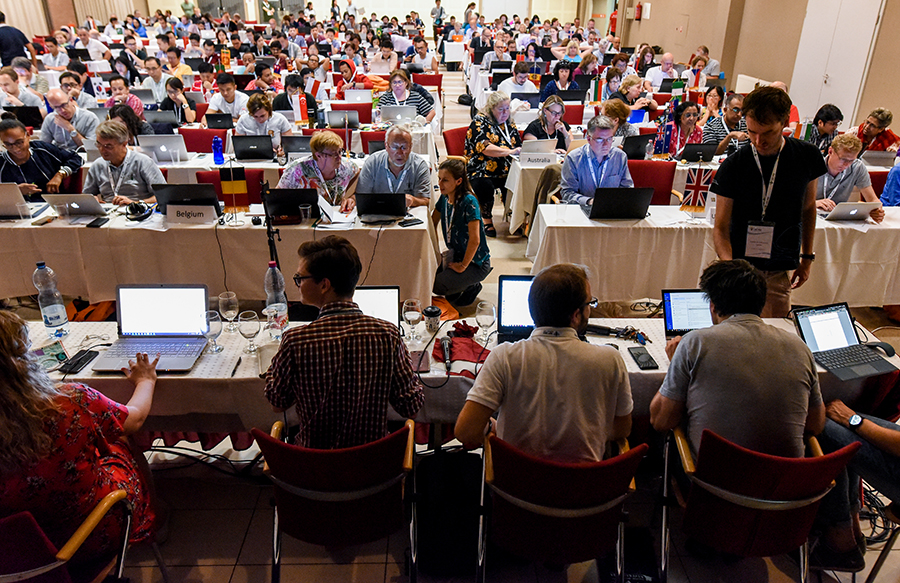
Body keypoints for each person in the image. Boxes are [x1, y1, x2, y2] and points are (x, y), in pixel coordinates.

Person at [0, 312, 159, 570]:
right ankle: (153, 521)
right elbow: (135, 419)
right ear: (23, 362)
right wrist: (145, 380)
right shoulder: (70, 400)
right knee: (119, 437)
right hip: (86, 539)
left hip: (11, 555)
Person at [455, 262, 632, 462]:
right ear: (575, 315)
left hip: (514, 488)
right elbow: (623, 428)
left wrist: (491, 427)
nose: (590, 309)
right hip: (582, 489)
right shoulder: (610, 359)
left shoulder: (503, 356)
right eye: (589, 304)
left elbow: (466, 432)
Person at [650, 259, 824, 458]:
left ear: (713, 307)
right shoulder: (799, 347)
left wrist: (676, 366)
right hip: (786, 481)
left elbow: (661, 421)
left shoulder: (695, 343)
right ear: (761, 301)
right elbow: (816, 425)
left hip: (715, 481)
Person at [265, 236, 423, 449]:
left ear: (324, 285)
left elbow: (278, 404)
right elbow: (410, 407)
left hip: (315, 469)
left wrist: (274, 371)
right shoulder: (388, 335)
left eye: (300, 278)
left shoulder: (296, 341)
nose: (298, 284)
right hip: (372, 467)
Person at [711, 86, 827, 317]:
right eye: (752, 132)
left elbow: (808, 208)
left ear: (784, 122)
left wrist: (807, 257)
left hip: (778, 266)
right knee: (729, 337)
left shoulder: (806, 156)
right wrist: (731, 267)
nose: (758, 140)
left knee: (774, 334)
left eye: (767, 133)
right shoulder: (734, 165)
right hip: (740, 266)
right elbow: (721, 227)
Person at [431, 158, 492, 305]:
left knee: (437, 285)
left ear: (458, 181)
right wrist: (434, 253)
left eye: (445, 180)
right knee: (426, 273)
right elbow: (432, 222)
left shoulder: (469, 202)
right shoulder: (445, 197)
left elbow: (475, 240)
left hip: (475, 261)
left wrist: (463, 266)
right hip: (455, 255)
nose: (439, 184)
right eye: (439, 179)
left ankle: (472, 285)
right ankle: (462, 285)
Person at [465, 91, 522, 237]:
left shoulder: (509, 123)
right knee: (484, 183)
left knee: (520, 180)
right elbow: (485, 148)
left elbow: (518, 145)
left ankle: (514, 218)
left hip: (506, 165)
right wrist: (509, 152)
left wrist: (516, 151)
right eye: (501, 109)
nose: (505, 113)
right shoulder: (479, 121)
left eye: (507, 108)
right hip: (481, 165)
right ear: (491, 109)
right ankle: (487, 220)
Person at [83, 120, 165, 205]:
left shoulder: (143, 162)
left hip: (138, 212)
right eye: (99, 144)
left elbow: (162, 196)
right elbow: (86, 195)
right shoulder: (98, 165)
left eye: (108, 146)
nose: (102, 150)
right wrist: (92, 199)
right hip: (108, 213)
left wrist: (134, 203)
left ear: (124, 144)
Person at [0, 119, 82, 201]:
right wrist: (15, 191)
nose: (15, 148)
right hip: (16, 209)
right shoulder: (2, 162)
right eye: (8, 144)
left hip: (53, 204)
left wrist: (60, 174)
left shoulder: (42, 150)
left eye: (19, 142)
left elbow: (76, 158)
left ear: (28, 135)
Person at [277, 130, 359, 211]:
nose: (339, 157)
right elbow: (277, 195)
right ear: (318, 155)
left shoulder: (347, 167)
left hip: (336, 216)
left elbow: (356, 172)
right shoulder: (297, 169)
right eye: (334, 154)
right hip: (307, 216)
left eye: (340, 152)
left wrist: (347, 192)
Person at [560, 115, 632, 205]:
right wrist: (590, 201)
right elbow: (567, 193)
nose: (606, 144)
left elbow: (627, 189)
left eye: (609, 139)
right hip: (582, 209)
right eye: (600, 140)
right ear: (589, 139)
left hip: (612, 209)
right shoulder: (574, 159)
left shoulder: (620, 157)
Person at [356, 124, 430, 207]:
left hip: (408, 214)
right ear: (386, 146)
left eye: (404, 147)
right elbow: (360, 196)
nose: (399, 152)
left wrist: (413, 200)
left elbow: (426, 201)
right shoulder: (372, 162)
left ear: (411, 147)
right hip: (378, 212)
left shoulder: (419, 165)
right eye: (395, 147)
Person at [815, 133, 884, 222]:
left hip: (837, 218)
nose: (846, 164)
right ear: (830, 151)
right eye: (843, 159)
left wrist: (877, 209)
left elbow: (872, 199)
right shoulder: (814, 164)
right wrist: (813, 203)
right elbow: (792, 199)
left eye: (851, 160)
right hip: (811, 214)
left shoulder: (857, 167)